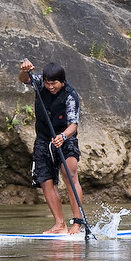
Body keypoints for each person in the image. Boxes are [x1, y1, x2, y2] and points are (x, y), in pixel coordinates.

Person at [18, 59, 86, 235]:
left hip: (66, 137)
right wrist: (25, 70)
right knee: (45, 179)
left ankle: (78, 223)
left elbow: (73, 124)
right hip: (43, 138)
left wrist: (63, 137)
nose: (50, 87)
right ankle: (59, 224)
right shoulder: (40, 82)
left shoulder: (70, 95)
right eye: (47, 83)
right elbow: (24, 79)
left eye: (54, 83)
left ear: (62, 81)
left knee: (69, 173)